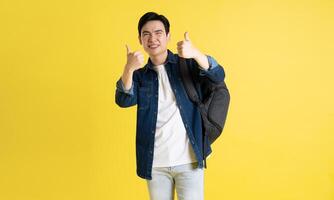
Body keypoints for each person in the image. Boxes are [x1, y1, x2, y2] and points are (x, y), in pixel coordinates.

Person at [115, 12, 226, 200]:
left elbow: (218, 75)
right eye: (146, 34)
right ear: (140, 39)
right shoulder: (140, 75)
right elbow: (123, 100)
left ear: (167, 36)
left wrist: (196, 53)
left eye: (158, 33)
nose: (152, 39)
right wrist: (128, 68)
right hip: (155, 163)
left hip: (189, 160)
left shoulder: (187, 64)